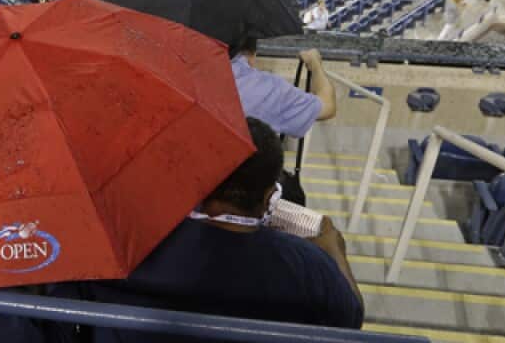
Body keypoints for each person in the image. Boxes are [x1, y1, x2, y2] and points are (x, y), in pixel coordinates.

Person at [58, 118, 363, 339]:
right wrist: (333, 245)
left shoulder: (125, 244)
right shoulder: (309, 265)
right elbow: (351, 319)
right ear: (270, 196)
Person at [231, 40, 336, 138]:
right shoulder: (269, 89)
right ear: (252, 53)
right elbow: (328, 107)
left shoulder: (216, 77)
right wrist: (315, 64)